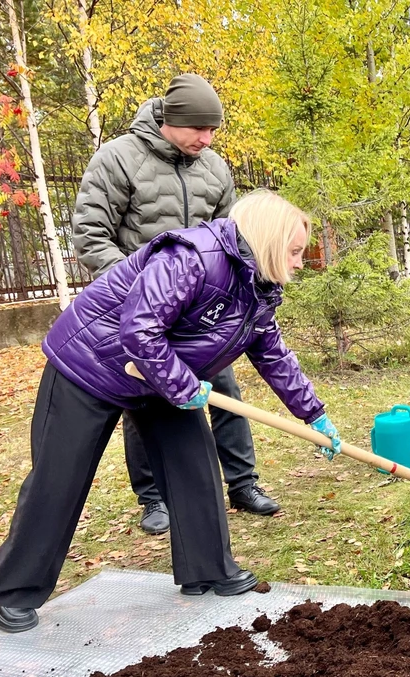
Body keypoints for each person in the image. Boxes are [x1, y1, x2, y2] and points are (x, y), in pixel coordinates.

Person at [0, 190, 342, 633]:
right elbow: (139, 329)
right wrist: (182, 384)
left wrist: (314, 415)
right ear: (269, 242)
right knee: (60, 478)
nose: (299, 263)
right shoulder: (192, 258)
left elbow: (274, 356)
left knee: (193, 465)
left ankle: (207, 570)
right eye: (294, 252)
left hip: (162, 373)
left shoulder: (258, 289)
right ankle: (14, 591)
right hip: (91, 362)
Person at [72, 73, 280, 535]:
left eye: (213, 131)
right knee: (144, 401)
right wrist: (144, 288)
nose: (206, 140)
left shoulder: (214, 168)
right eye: (198, 130)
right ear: (169, 119)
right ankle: (153, 499)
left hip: (204, 313)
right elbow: (91, 236)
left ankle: (243, 483)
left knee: (225, 392)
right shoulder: (118, 160)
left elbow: (233, 239)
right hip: (141, 311)